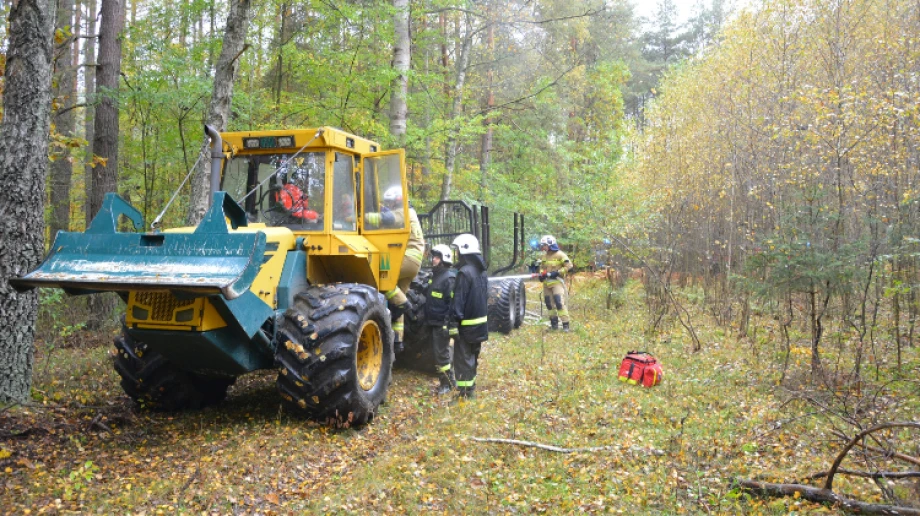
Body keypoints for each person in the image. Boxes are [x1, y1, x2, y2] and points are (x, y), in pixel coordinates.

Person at [365, 186, 425, 353]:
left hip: (407, 259)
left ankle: (405, 305)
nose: (389, 205)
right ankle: (398, 341)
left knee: (381, 276)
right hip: (412, 262)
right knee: (397, 298)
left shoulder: (404, 212)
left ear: (398, 200)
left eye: (391, 202)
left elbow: (387, 218)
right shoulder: (409, 213)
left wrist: (361, 217)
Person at [450, 233, 489, 400]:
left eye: (457, 250)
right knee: (473, 356)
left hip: (466, 326)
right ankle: (470, 389)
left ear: (463, 250)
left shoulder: (464, 273)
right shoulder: (482, 272)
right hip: (480, 325)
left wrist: (453, 323)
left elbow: (459, 300)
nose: (456, 253)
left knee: (463, 359)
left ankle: (465, 394)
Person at [424, 244, 457, 395]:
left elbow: (452, 304)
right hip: (433, 322)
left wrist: (446, 324)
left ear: (444, 259)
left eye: (437, 257)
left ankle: (447, 384)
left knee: (442, 355)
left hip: (441, 324)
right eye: (434, 257)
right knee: (439, 354)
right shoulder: (435, 277)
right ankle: (449, 381)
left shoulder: (449, 278)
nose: (433, 260)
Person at [538, 235, 574, 331]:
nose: (543, 247)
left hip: (557, 282)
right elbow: (542, 268)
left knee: (559, 302)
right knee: (549, 304)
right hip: (546, 284)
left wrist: (557, 272)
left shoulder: (560, 255)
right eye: (542, 245)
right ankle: (554, 325)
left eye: (544, 245)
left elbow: (569, 266)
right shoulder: (544, 256)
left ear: (550, 244)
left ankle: (565, 325)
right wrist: (541, 275)